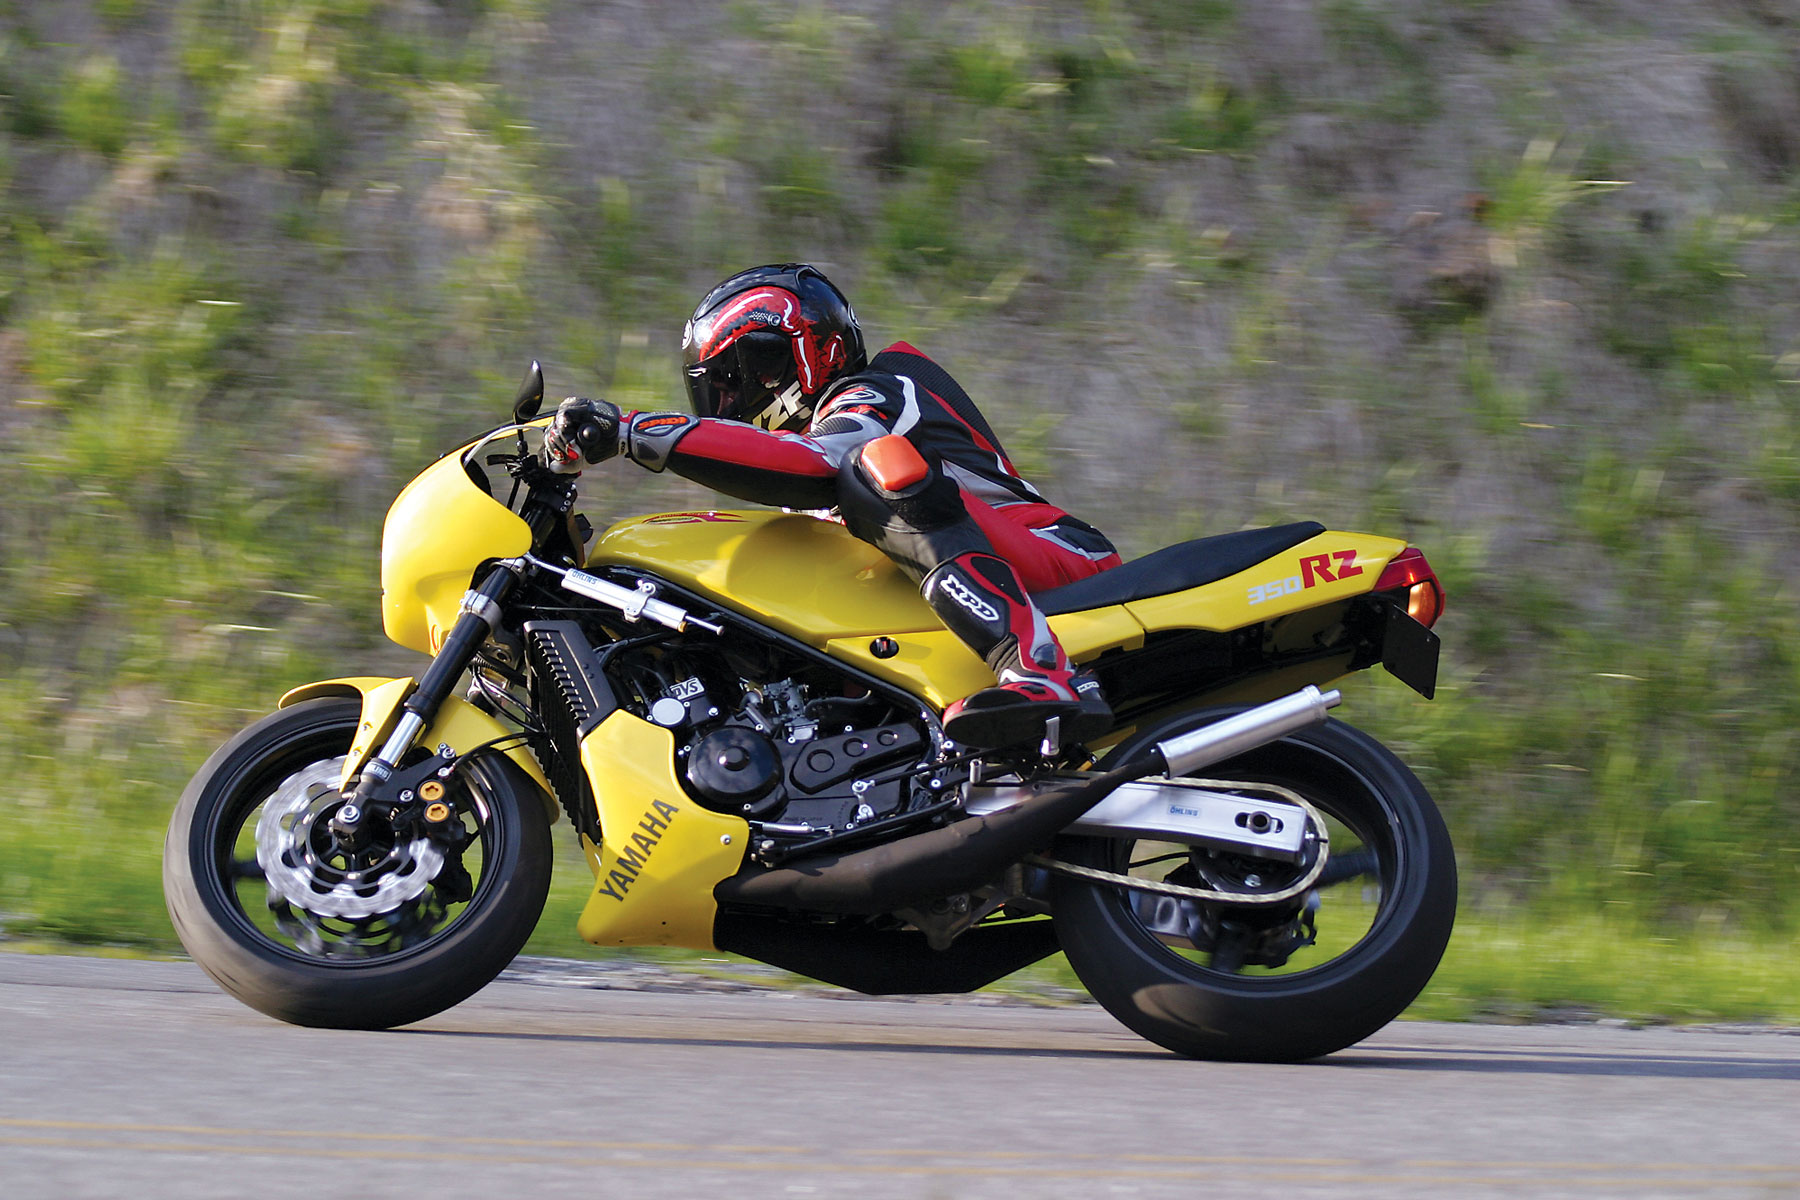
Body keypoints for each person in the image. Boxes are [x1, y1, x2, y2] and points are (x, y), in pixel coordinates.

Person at [543, 263, 1121, 750]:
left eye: (738, 376)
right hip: (981, 573)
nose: (727, 401)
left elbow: (821, 464)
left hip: (1063, 559)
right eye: (712, 387)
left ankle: (1036, 665)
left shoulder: (876, 392)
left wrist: (635, 432)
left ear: (802, 352)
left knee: (873, 467)